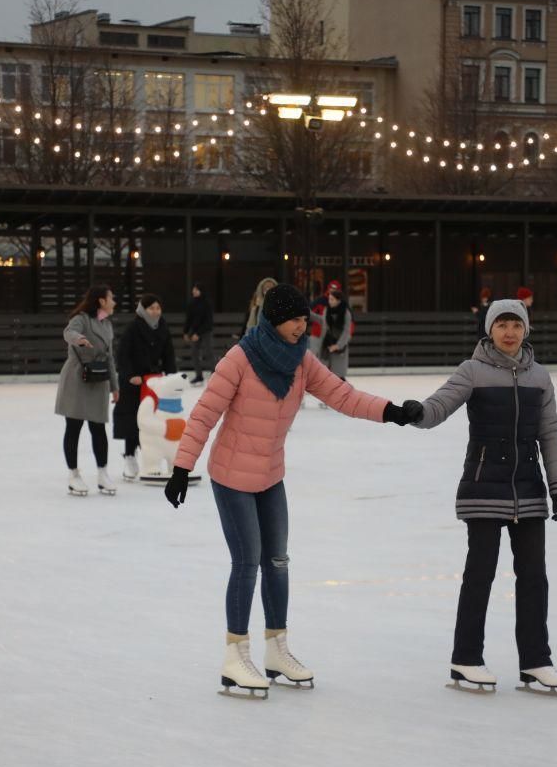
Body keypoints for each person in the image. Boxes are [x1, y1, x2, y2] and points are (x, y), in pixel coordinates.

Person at [162, 283, 420, 698]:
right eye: (296, 319)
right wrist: (181, 468)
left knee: (278, 561)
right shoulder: (240, 359)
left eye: (305, 319)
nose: (304, 326)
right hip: (231, 477)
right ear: (275, 319)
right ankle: (234, 655)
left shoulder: (301, 361)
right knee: (247, 562)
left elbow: (342, 395)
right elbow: (205, 413)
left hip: (269, 476)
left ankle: (276, 649)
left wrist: (391, 413)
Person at [407, 298, 557, 693]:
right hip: (483, 487)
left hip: (528, 489)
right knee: (479, 576)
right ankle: (466, 658)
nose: (509, 332)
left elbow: (551, 432)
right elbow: (440, 404)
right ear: (489, 329)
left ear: (526, 329)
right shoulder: (473, 370)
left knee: (534, 577)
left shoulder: (540, 378)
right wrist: (416, 412)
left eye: (516, 324)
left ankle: (536, 661)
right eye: (502, 325)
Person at [55, 285, 120, 497]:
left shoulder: (107, 325)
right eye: (111, 298)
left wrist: (115, 386)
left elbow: (109, 357)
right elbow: (68, 332)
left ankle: (103, 473)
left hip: (99, 378)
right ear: (101, 301)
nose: (114, 302)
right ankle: (73, 474)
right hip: (77, 377)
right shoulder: (82, 319)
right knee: (74, 426)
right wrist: (79, 339)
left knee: (98, 428)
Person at [114, 293, 177, 481]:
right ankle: (130, 457)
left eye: (158, 308)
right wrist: (130, 375)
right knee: (133, 420)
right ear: (143, 309)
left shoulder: (163, 327)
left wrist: (171, 376)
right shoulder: (133, 328)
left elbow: (169, 353)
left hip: (154, 383)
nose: (155, 312)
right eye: (151, 308)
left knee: (154, 421)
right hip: (134, 382)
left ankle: (152, 458)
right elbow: (122, 354)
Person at [308, 288, 353, 380]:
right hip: (326, 346)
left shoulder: (345, 313)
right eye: (329, 299)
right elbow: (323, 321)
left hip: (338, 350)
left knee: (338, 377)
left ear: (338, 300)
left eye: (332, 299)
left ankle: (345, 393)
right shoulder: (327, 310)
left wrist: (337, 345)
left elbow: (346, 332)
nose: (329, 301)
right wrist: (309, 314)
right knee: (324, 375)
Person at [183, 282, 215, 386]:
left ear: (201, 291)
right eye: (193, 289)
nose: (194, 291)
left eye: (196, 289)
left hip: (205, 331)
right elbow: (189, 319)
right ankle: (199, 376)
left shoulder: (207, 303)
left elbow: (208, 321)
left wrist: (198, 333)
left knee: (208, 353)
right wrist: (186, 332)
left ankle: (215, 375)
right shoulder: (191, 303)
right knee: (194, 353)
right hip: (194, 332)